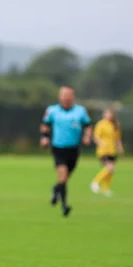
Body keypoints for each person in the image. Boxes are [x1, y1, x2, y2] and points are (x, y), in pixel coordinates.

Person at [40, 86, 92, 217]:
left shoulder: (80, 111)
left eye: (68, 95)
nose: (66, 98)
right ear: (59, 97)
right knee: (62, 175)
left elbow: (88, 126)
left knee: (64, 179)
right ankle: (64, 206)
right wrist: (45, 138)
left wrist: (87, 136)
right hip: (58, 148)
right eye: (64, 95)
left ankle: (56, 189)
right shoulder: (52, 110)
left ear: (73, 97)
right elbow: (45, 125)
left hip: (74, 149)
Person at [91, 108, 124, 196]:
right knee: (110, 168)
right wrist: (101, 143)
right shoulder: (101, 124)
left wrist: (120, 147)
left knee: (111, 170)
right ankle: (95, 182)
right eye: (107, 114)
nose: (109, 115)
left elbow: (117, 138)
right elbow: (96, 137)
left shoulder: (115, 125)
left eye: (110, 114)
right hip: (103, 151)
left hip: (112, 150)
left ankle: (105, 189)